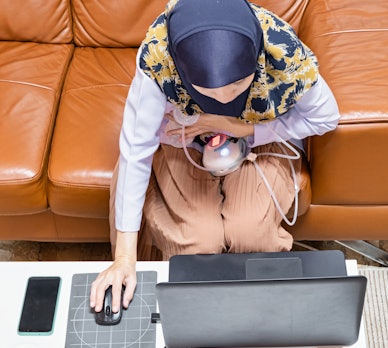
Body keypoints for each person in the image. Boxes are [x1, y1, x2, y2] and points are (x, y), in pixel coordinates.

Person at [90, 0, 340, 314]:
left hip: (261, 135)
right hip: (182, 140)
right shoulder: (158, 58)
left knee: (251, 233)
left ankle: (260, 317)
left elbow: (326, 117)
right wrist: (124, 258)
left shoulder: (283, 52)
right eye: (206, 90)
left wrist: (242, 128)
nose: (223, 98)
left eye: (237, 84)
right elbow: (135, 149)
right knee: (196, 244)